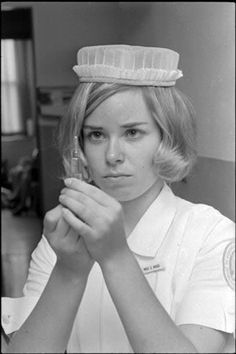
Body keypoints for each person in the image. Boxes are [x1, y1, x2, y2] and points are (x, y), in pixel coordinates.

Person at [1, 45, 235, 353]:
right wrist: (69, 271)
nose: (112, 156)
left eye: (133, 133)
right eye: (96, 135)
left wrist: (115, 257)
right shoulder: (59, 239)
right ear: (80, 145)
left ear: (167, 137)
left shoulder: (212, 236)